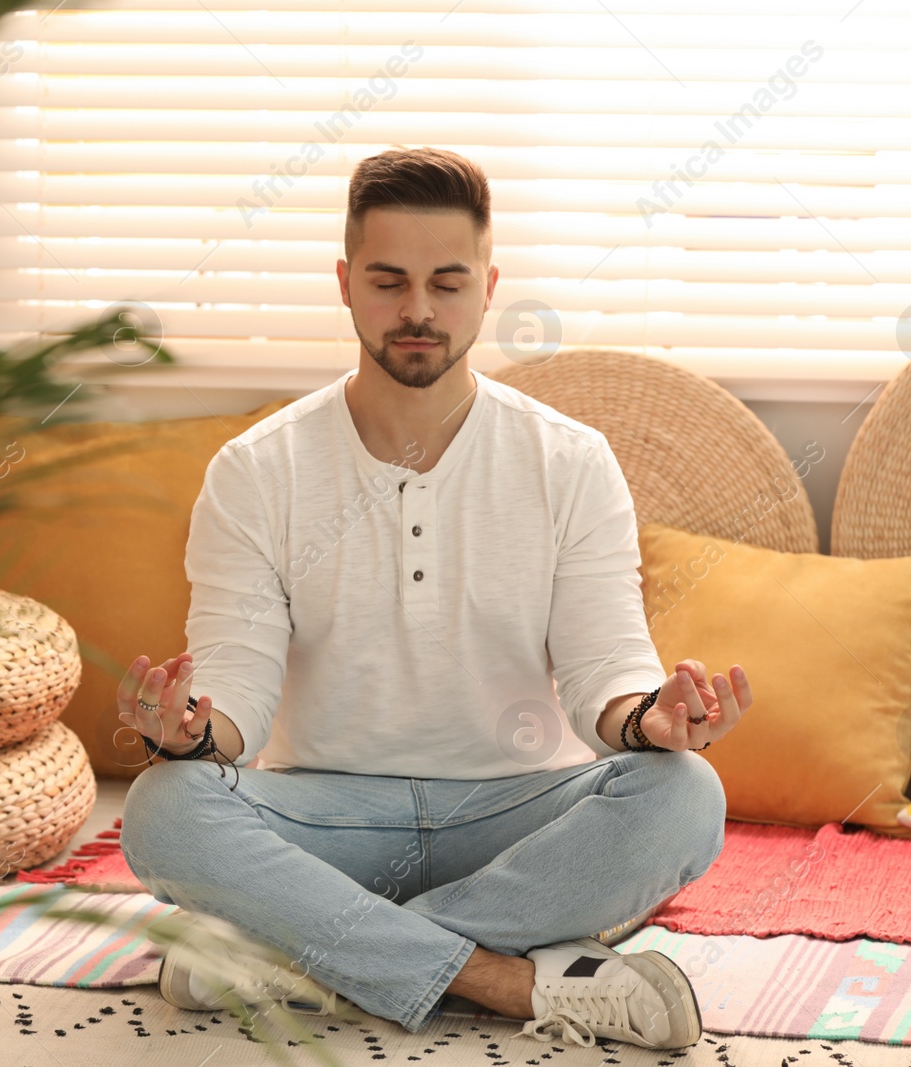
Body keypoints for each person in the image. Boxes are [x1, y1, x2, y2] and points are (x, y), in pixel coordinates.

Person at [114, 146, 751, 1052]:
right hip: (324, 817)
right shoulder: (257, 471)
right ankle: (506, 979)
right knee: (164, 807)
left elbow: (604, 668)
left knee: (685, 794)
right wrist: (187, 731)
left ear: (489, 287)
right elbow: (237, 706)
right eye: (389, 281)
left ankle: (307, 953)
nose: (418, 310)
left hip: (517, 816)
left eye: (447, 284)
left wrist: (651, 720)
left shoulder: (569, 462)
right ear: (344, 283)